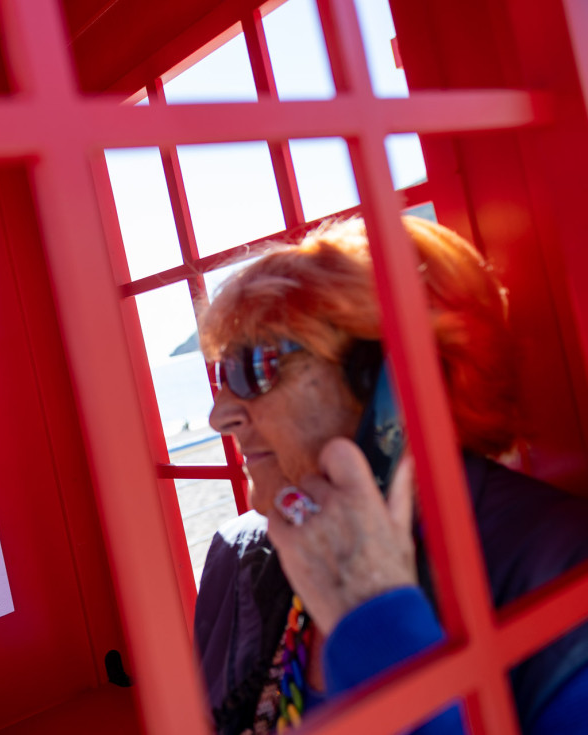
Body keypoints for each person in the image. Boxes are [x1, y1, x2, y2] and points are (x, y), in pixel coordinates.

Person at [193, 216, 588, 734]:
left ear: (397, 380)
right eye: (223, 375)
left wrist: (373, 615)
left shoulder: (560, 565)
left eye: (254, 368)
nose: (219, 416)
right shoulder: (240, 558)